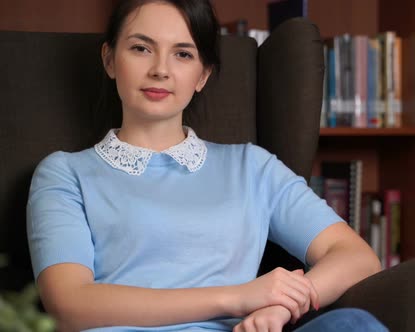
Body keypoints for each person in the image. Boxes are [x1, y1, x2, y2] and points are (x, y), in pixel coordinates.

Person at [26, 0, 387, 331]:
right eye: (141, 48)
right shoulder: (64, 174)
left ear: (202, 75)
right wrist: (238, 297)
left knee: (354, 324)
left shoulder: (251, 168)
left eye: (183, 54)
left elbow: (355, 256)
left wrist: (282, 304)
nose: (160, 70)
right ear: (109, 59)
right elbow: (69, 303)